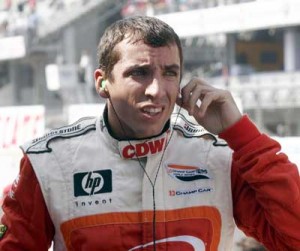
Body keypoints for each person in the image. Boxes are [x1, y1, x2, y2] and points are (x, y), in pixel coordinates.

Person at [0, 16, 300, 251]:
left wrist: (243, 136)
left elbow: (293, 239)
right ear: (102, 82)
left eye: (170, 73)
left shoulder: (219, 156)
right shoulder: (50, 162)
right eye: (139, 73)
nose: (157, 90)